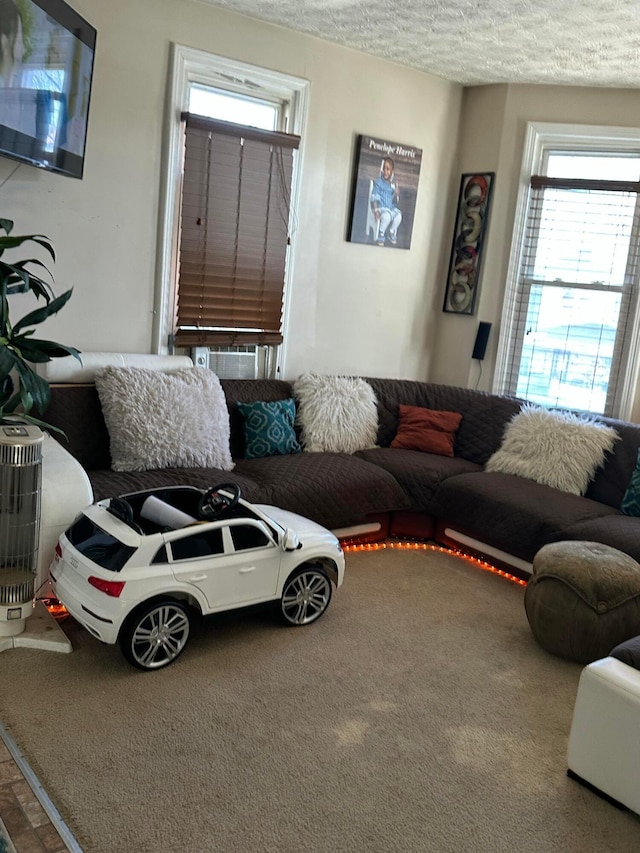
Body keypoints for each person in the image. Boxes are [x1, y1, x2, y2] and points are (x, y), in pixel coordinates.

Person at [370, 156, 402, 246]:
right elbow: (374, 196)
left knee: (399, 216)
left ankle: (391, 232)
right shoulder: (379, 182)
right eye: (384, 168)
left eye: (388, 169)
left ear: (392, 172)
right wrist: (376, 210)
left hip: (390, 208)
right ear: (381, 170)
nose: (385, 171)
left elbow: (395, 201)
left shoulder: (392, 185)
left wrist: (396, 193)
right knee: (387, 217)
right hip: (381, 209)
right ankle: (381, 233)